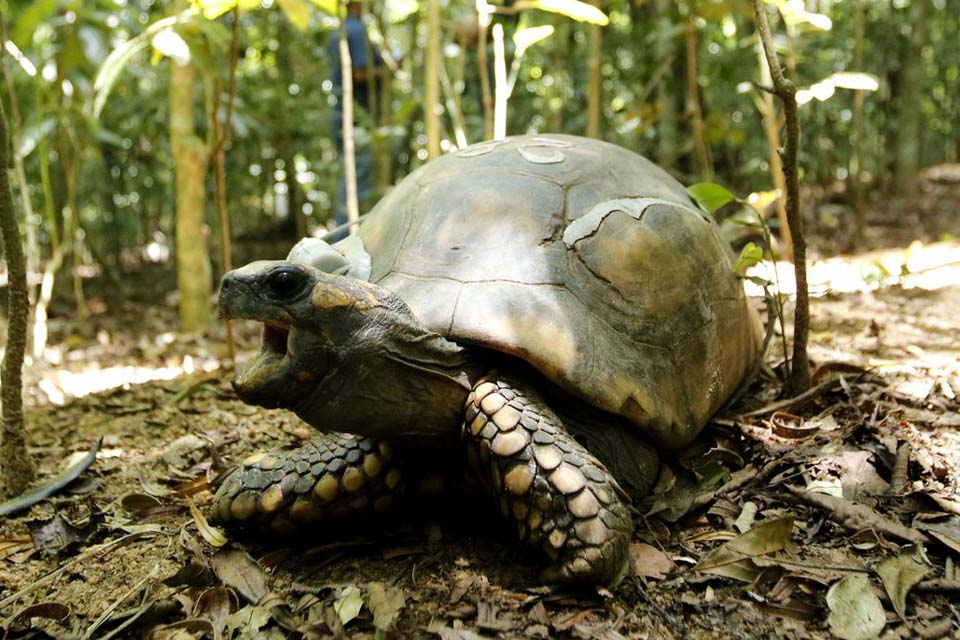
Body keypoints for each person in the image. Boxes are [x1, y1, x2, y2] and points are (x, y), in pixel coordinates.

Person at [327, 1, 381, 241]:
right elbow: (359, 73)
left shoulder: (336, 31)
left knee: (349, 179)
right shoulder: (357, 30)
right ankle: (345, 243)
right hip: (355, 116)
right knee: (356, 183)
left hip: (340, 113)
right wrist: (387, 69)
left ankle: (343, 240)